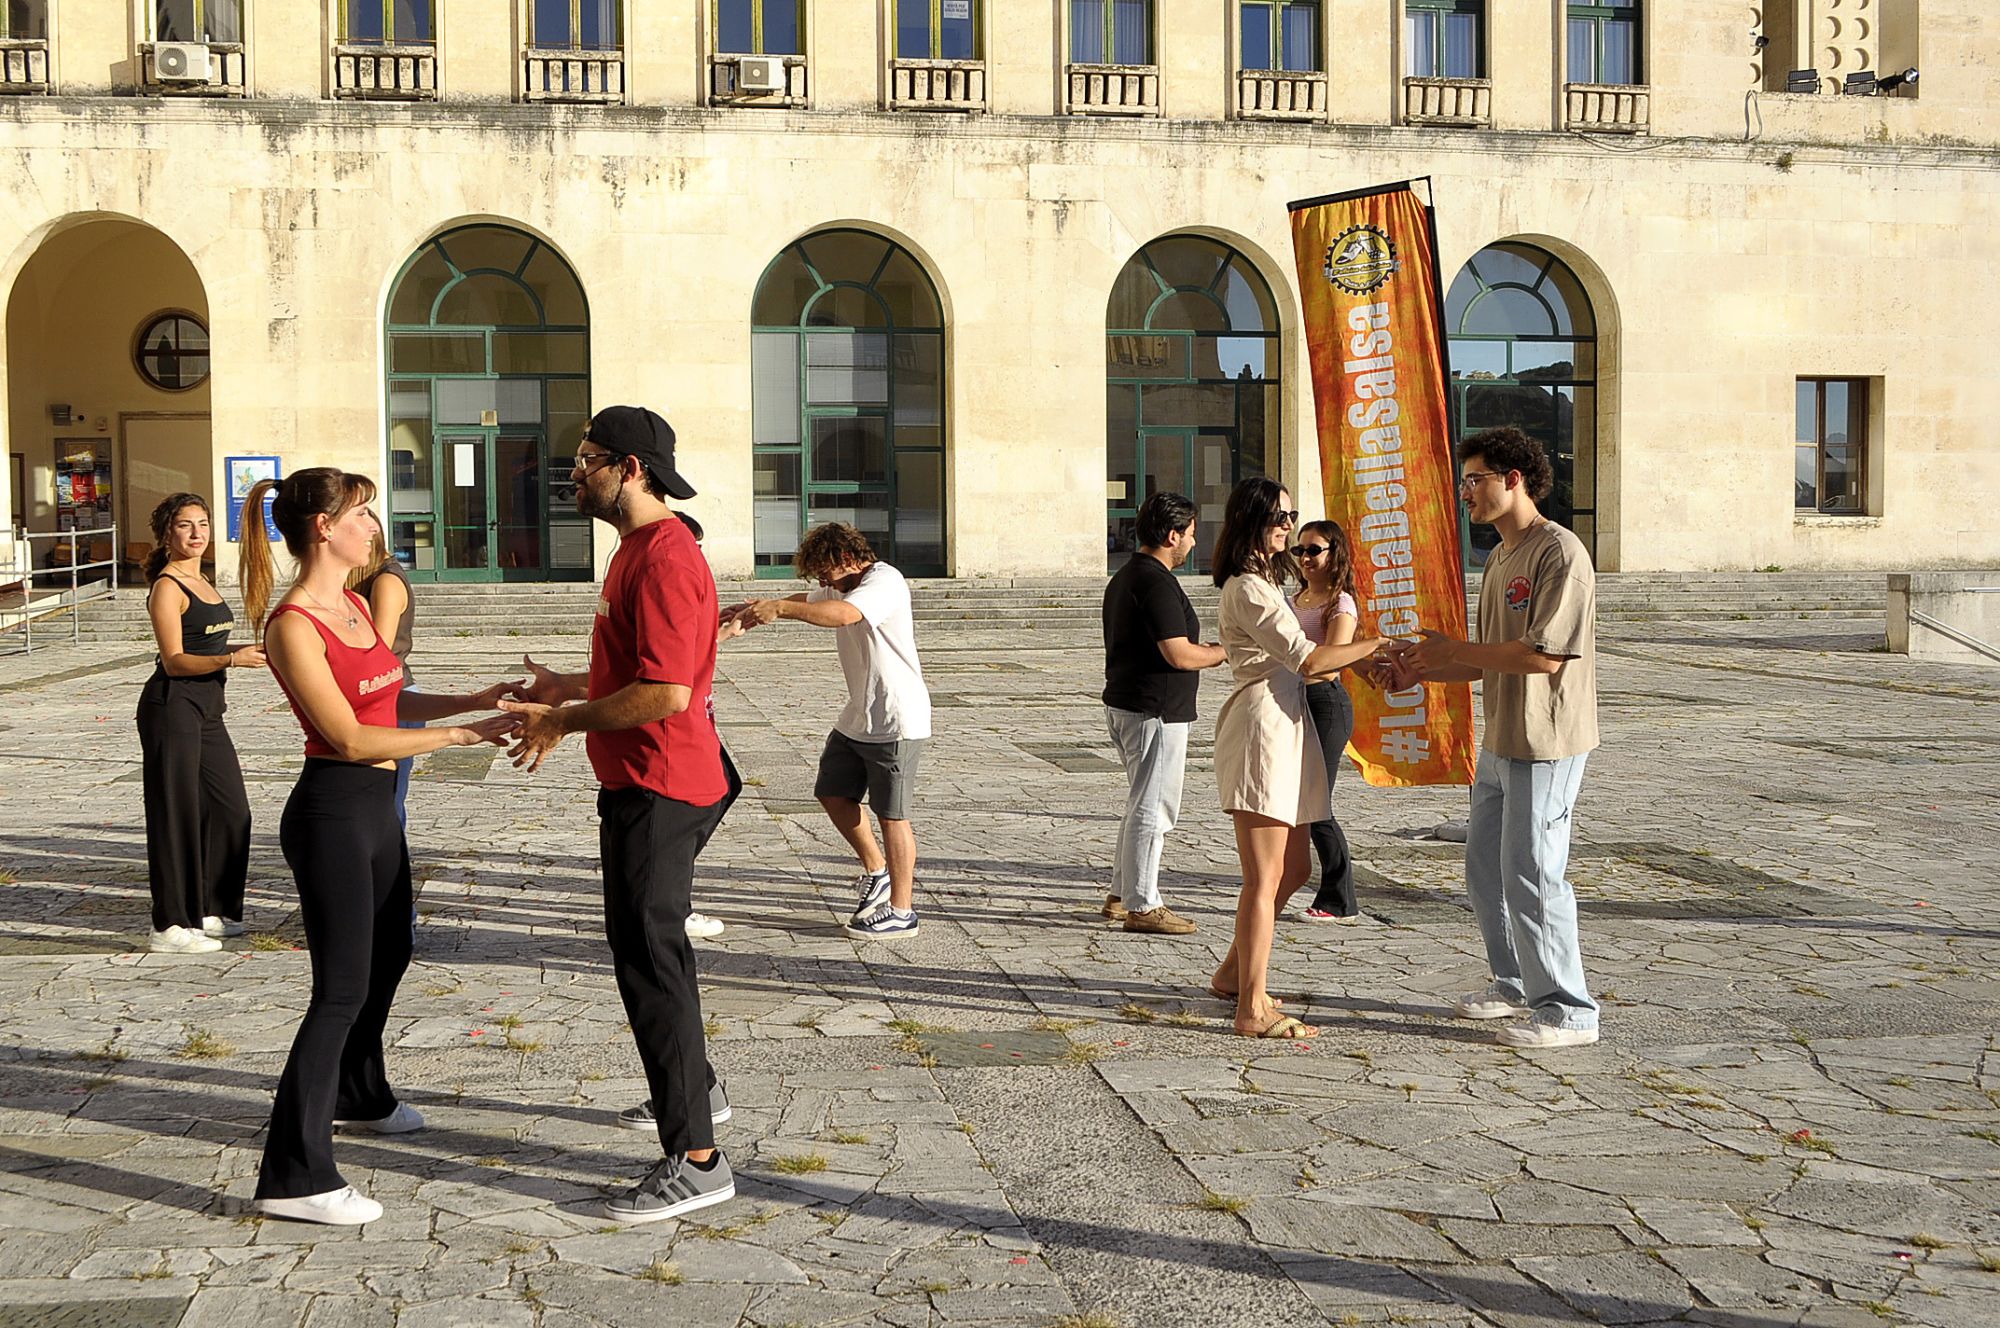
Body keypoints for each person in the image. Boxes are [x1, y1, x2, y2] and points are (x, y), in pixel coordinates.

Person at [240, 469, 518, 1226]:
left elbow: (390, 699)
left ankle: (361, 1094)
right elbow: (350, 737)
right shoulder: (293, 624)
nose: (374, 526)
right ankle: (294, 1175)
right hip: (332, 812)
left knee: (391, 951)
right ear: (324, 528)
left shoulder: (358, 604)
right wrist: (460, 736)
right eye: (362, 514)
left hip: (374, 814)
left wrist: (472, 699)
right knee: (338, 990)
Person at [502, 407, 738, 1223]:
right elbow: (639, 668)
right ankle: (699, 1089)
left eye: (586, 459)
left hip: (660, 786)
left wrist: (562, 722)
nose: (575, 473)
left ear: (630, 467)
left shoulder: (666, 556)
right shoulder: (635, 548)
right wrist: (567, 687)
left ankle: (698, 1161)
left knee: (650, 961)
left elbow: (666, 692)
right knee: (652, 952)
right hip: (650, 780)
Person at [1395, 426, 1602, 1050]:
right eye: (1464, 481)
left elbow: (1543, 655)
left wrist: (1454, 650)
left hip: (1546, 742)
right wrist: (1422, 668)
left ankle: (1569, 1011)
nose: (1465, 492)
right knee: (1486, 870)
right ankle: (1514, 983)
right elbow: (1488, 659)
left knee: (1533, 873)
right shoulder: (1499, 557)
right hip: (1500, 740)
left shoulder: (1559, 553)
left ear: (1514, 479)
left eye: (1474, 479)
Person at [1206, 479, 1384, 1040]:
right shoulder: (1249, 588)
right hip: (1262, 725)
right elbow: (1307, 660)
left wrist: (1363, 657)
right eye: (1279, 517)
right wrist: (1377, 645)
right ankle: (1251, 1007)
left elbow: (1315, 657)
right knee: (1263, 878)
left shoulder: (1265, 583)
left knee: (1298, 867)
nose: (1288, 525)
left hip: (1288, 722)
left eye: (1291, 515)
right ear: (1253, 520)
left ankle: (1233, 975)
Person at [730, 523, 929, 941]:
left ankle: (902, 911)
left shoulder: (884, 581)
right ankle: (877, 872)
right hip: (858, 715)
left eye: (825, 572)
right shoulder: (841, 585)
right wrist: (754, 609)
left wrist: (781, 610)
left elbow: (844, 615)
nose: (823, 582)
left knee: (892, 815)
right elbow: (809, 600)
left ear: (848, 558)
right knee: (832, 792)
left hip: (896, 718)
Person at [136, 493, 263, 954]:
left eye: (203, 524)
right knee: (177, 814)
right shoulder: (168, 586)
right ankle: (170, 924)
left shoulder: (204, 580)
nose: (197, 533)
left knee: (231, 809)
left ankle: (213, 909)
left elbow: (206, 644)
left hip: (208, 708)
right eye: (185, 525)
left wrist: (242, 651)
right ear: (167, 534)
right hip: (173, 706)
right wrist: (232, 659)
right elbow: (174, 660)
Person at [1099, 490, 1225, 935]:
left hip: (1132, 704)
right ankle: (1143, 903)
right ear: (1172, 535)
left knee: (1141, 802)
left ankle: (1122, 892)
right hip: (1154, 710)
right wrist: (1223, 652)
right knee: (1156, 807)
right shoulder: (1155, 583)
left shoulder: (1127, 575)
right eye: (1190, 534)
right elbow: (1179, 654)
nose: (1193, 542)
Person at [1288, 520, 1362, 924]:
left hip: (1325, 704)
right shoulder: (1295, 598)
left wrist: (1297, 662)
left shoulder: (1340, 603)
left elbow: (1331, 662)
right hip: (1294, 703)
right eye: (1299, 550)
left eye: (1314, 550)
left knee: (1317, 804)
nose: (1305, 558)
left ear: (1335, 554)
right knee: (1297, 801)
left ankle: (1339, 899)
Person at [349, 514, 418, 827]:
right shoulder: (373, 578)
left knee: (386, 805)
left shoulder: (386, 580)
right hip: (384, 697)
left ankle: (392, 856)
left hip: (394, 697)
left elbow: (380, 651)